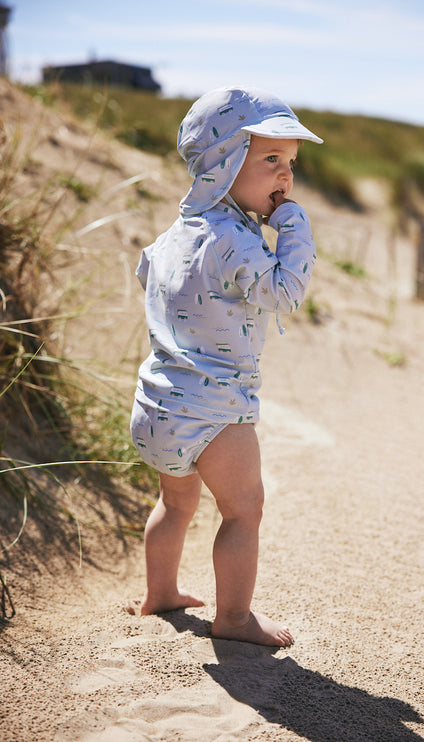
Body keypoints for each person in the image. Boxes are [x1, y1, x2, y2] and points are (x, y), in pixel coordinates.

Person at [130, 86, 322, 647]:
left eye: (290, 163)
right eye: (270, 160)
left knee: (176, 501)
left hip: (156, 404)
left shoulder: (175, 235)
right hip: (215, 412)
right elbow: (285, 293)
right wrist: (295, 229)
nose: (285, 176)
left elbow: (149, 276)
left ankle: (160, 592)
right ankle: (233, 619)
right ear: (224, 163)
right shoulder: (235, 240)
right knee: (243, 511)